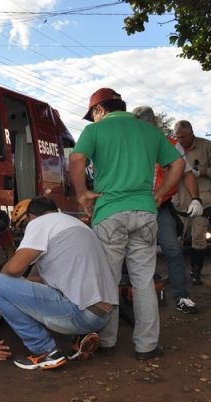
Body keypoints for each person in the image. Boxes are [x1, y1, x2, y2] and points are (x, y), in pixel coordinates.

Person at [69, 88, 185, 360]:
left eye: (92, 115)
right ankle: (147, 346)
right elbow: (178, 164)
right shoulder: (149, 131)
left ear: (99, 110)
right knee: (143, 280)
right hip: (145, 212)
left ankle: (107, 341)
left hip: (109, 213)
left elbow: (76, 159)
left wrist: (82, 194)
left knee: (107, 280)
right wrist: (158, 195)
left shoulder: (95, 131)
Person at [0, 196, 117, 370]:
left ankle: (44, 351)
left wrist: (7, 279)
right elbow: (61, 279)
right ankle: (79, 339)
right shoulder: (76, 223)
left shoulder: (40, 223)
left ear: (32, 217)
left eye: (24, 226)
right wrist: (25, 283)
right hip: (103, 315)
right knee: (48, 289)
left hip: (82, 314)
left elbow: (14, 269)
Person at [132, 106, 203, 314]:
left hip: (160, 207)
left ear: (153, 123)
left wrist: (196, 198)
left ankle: (181, 297)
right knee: (138, 252)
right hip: (134, 207)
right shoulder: (129, 145)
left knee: (172, 250)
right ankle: (141, 296)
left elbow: (187, 173)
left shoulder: (171, 145)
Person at [172, 120, 211, 285]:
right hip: (178, 200)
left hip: (201, 201)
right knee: (174, 240)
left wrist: (200, 172)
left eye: (183, 137)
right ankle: (177, 274)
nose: (180, 140)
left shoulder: (207, 146)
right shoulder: (173, 147)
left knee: (199, 239)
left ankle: (196, 272)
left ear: (191, 133)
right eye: (177, 137)